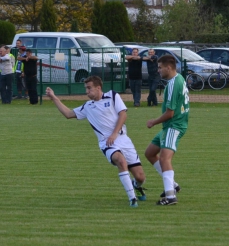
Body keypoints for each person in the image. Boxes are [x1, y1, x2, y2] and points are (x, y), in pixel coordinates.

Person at [46, 76, 146, 207]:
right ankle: (132, 198)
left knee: (140, 177)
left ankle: (136, 185)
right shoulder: (88, 106)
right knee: (121, 161)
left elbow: (123, 114)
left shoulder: (112, 96)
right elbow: (68, 114)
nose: (87, 91)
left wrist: (115, 133)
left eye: (89, 88)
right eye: (86, 88)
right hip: (107, 143)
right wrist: (54, 98)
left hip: (123, 139)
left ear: (98, 88)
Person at [144, 55, 189, 206]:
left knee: (164, 158)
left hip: (173, 125)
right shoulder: (179, 78)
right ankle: (173, 185)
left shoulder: (171, 85)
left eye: (160, 67)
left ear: (168, 68)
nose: (158, 70)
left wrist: (153, 122)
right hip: (171, 125)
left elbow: (170, 113)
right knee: (150, 153)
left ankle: (170, 196)